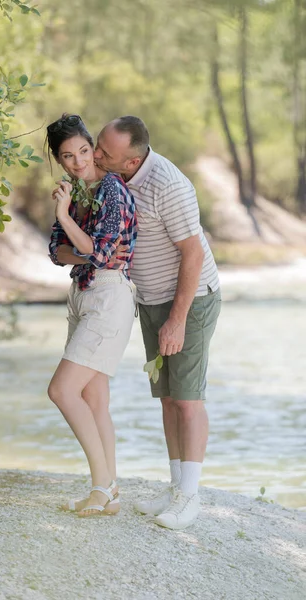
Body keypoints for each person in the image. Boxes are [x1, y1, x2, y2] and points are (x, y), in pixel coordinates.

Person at [93, 116, 221, 529]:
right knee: (166, 398)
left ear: (130, 162)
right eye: (97, 145)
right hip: (151, 301)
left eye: (104, 153)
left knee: (187, 399)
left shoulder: (170, 186)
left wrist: (178, 320)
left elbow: (194, 255)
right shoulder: (118, 177)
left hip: (190, 300)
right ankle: (175, 485)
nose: (96, 156)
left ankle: (190, 496)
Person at [46, 114, 137, 517]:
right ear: (60, 160)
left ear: (93, 149)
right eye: (68, 156)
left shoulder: (112, 191)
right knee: (93, 398)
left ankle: (101, 486)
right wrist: (79, 243)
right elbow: (55, 252)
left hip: (109, 296)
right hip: (81, 295)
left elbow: (100, 255)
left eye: (84, 151)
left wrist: (67, 219)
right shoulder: (77, 191)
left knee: (62, 391)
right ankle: (109, 492)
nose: (79, 161)